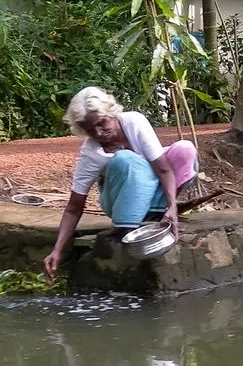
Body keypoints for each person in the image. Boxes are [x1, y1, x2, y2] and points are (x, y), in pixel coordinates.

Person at [43, 86, 198, 282]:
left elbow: (164, 169)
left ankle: (158, 213)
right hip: (118, 201)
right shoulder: (90, 152)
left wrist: (172, 208)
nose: (98, 132)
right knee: (125, 159)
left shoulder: (134, 122)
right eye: (90, 130)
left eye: (101, 123)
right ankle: (127, 225)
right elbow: (74, 207)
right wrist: (57, 250)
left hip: (152, 192)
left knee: (185, 150)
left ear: (111, 112)